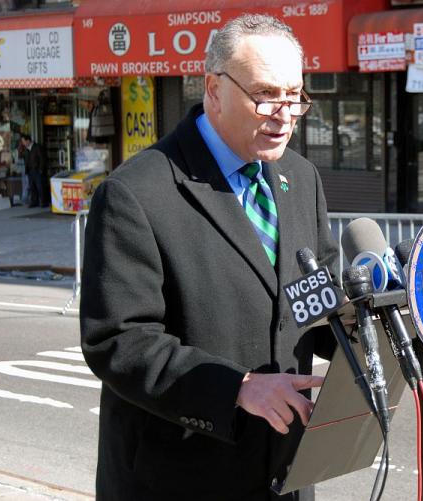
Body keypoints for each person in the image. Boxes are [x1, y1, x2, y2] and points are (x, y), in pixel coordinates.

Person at [80, 14, 338, 501]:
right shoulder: (135, 193)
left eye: (295, 96)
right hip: (177, 477)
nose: (283, 114)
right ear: (213, 89)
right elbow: (118, 340)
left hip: (284, 472)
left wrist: (380, 328)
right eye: (265, 94)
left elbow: (315, 304)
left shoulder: (301, 179)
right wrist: (237, 388)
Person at [19, 134, 47, 207]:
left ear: (28, 140)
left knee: (40, 187)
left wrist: (41, 169)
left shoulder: (37, 147)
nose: (23, 143)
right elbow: (25, 159)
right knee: (32, 187)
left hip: (37, 170)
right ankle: (34, 201)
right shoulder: (26, 149)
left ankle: (43, 202)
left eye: (23, 141)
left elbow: (42, 159)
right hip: (30, 171)